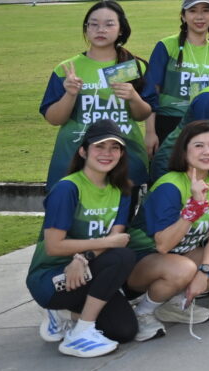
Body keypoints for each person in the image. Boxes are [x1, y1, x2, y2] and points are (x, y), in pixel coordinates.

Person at [28, 122, 140, 356]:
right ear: (83, 151)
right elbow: (54, 246)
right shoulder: (67, 189)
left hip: (86, 269)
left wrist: (83, 258)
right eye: (99, 146)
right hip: (51, 277)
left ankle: (62, 315)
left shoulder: (122, 190)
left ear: (121, 154)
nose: (107, 153)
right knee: (122, 256)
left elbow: (116, 237)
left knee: (124, 330)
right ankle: (81, 333)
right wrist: (100, 247)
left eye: (114, 148)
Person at [128, 120, 209, 330]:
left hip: (181, 256)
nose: (207, 152)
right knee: (184, 269)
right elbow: (163, 245)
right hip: (141, 262)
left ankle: (174, 304)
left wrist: (204, 272)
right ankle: (142, 312)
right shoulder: (170, 185)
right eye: (199, 145)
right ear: (184, 150)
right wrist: (193, 208)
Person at [41, 0, 151, 185]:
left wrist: (133, 97)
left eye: (109, 24)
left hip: (124, 156)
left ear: (121, 29)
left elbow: (143, 114)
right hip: (75, 155)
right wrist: (70, 94)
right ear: (86, 29)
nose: (101, 30)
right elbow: (54, 119)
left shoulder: (134, 66)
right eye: (94, 24)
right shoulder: (66, 69)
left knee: (124, 202)